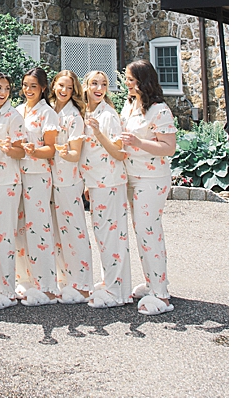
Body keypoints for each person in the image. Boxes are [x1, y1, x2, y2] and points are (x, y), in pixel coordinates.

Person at [120, 60, 177, 315]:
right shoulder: (130, 105)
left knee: (149, 230)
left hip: (152, 179)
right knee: (140, 231)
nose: (127, 84)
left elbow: (168, 147)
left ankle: (162, 295)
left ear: (144, 81)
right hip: (131, 176)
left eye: (131, 80)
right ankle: (152, 282)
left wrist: (138, 142)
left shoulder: (160, 110)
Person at [80, 70, 132, 308]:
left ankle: (117, 292)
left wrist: (98, 132)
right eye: (94, 83)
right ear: (86, 86)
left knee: (113, 236)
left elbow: (119, 153)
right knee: (102, 234)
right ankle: (110, 282)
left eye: (103, 84)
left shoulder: (108, 116)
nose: (99, 88)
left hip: (110, 182)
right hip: (96, 183)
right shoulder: (87, 112)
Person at [15, 66, 60, 305]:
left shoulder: (47, 113)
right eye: (25, 85)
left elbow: (50, 149)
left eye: (34, 86)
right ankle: (25, 280)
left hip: (38, 175)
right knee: (21, 228)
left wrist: (34, 150)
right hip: (17, 174)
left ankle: (46, 285)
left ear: (43, 88)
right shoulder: (18, 110)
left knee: (39, 228)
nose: (28, 90)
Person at [50, 69, 93, 303]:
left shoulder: (74, 116)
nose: (64, 91)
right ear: (54, 85)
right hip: (49, 179)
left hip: (68, 179)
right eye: (61, 86)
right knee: (56, 232)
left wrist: (65, 152)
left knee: (74, 230)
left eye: (69, 87)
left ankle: (83, 283)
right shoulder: (48, 110)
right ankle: (65, 280)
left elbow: (76, 154)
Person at [0, 72, 25, 310]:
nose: (3, 92)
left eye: (7, 88)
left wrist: (10, 149)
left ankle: (6, 289)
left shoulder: (13, 116)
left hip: (7, 181)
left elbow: (21, 152)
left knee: (4, 235)